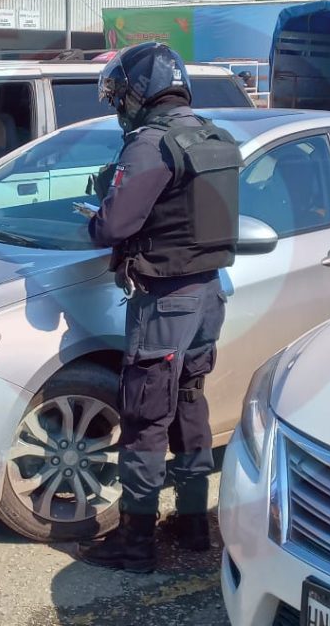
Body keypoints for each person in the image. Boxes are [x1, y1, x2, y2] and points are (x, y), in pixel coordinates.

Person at [75, 42, 241, 573]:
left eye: (119, 97)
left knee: (145, 417)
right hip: (209, 293)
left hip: (165, 299)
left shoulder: (150, 144)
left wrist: (95, 214)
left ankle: (136, 541)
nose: (119, 107)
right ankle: (193, 524)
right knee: (189, 401)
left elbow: (113, 225)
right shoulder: (213, 135)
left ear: (138, 93)